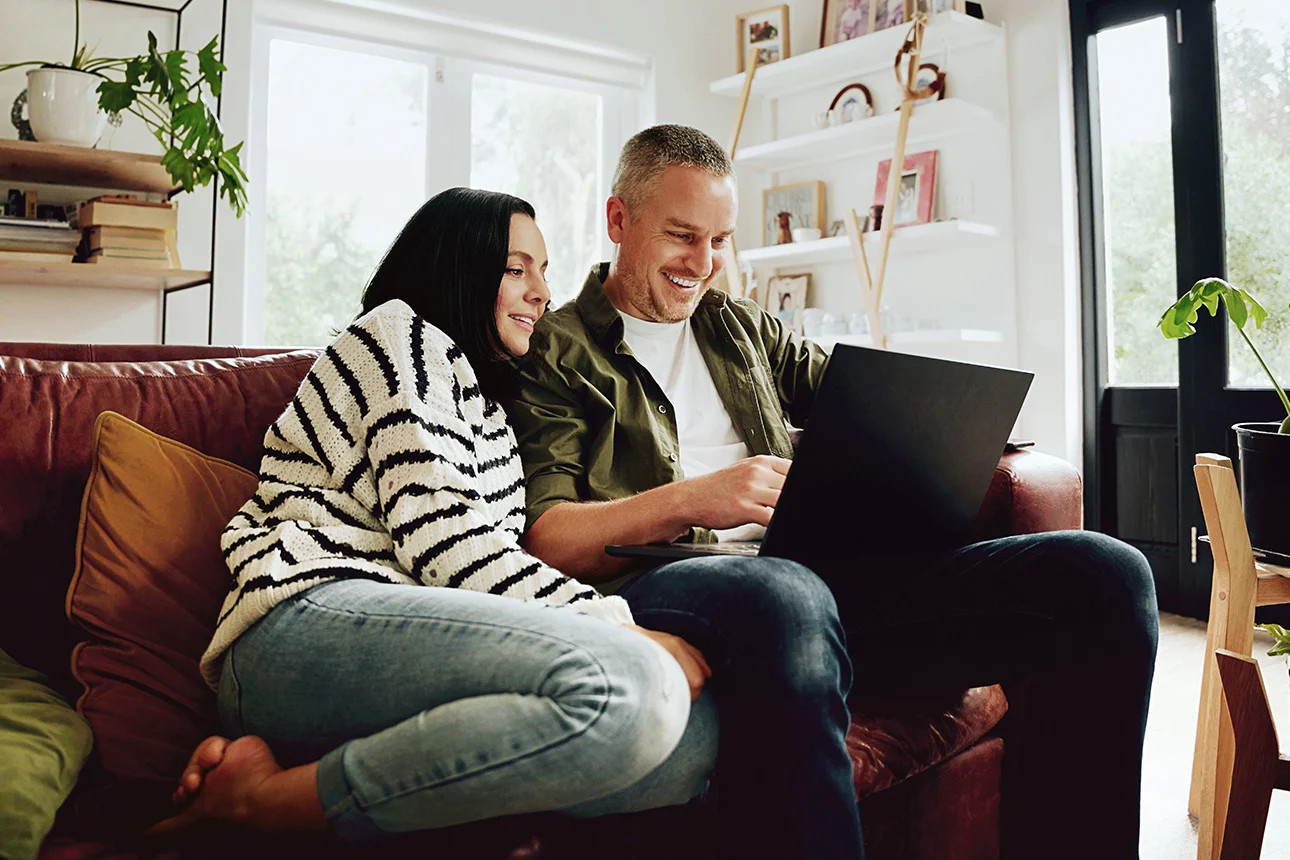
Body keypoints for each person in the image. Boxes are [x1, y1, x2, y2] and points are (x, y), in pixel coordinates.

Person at [507, 124, 1159, 860]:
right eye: (683, 236)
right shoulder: (554, 353)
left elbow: (859, 401)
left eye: (720, 240)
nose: (704, 264)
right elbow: (550, 538)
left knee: (1105, 576)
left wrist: (946, 437)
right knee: (785, 593)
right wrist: (695, 498)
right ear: (619, 220)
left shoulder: (740, 325)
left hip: (820, 588)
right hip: (678, 588)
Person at [153, 187, 720, 846]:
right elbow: (446, 543)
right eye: (516, 268)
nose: (541, 291)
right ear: (456, 265)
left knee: (688, 739)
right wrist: (615, 625)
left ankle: (389, 797)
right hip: (304, 622)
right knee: (634, 683)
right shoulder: (398, 333)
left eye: (543, 271)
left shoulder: (486, 410)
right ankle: (266, 801)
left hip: (410, 654)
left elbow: (481, 571)